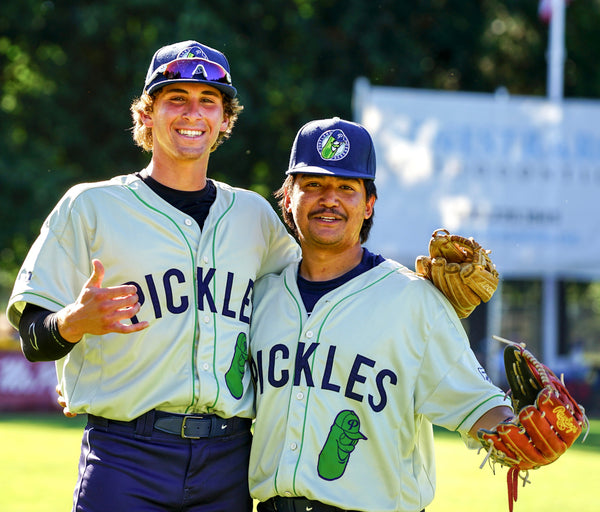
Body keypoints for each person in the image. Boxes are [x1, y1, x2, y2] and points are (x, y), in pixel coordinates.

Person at [5, 40, 299, 512]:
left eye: (209, 101)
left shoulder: (254, 216)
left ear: (226, 119)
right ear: (146, 114)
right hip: (126, 455)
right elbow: (33, 339)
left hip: (229, 457)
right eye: (175, 98)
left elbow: (310, 299)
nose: (192, 112)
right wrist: (74, 323)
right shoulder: (92, 206)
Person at [247, 117, 514, 512]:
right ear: (288, 198)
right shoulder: (263, 296)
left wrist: (515, 433)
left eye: (346, 187)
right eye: (314, 185)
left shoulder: (413, 301)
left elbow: (478, 404)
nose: (329, 199)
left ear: (368, 204)